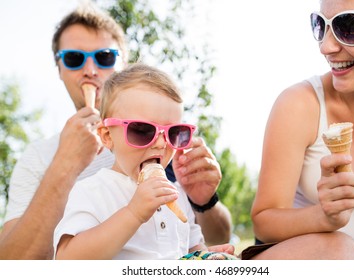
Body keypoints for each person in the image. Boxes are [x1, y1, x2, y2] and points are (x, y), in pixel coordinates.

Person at [0, 3, 231, 260]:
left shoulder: (172, 167)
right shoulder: (71, 178)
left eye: (105, 56)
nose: (91, 70)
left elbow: (198, 245)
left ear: (123, 62)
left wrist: (207, 243)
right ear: (107, 135)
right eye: (75, 58)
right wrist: (65, 166)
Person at [250, 0, 354, 260]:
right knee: (342, 252)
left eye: (348, 26)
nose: (326, 47)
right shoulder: (299, 104)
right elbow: (263, 223)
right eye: (320, 25)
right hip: (296, 259)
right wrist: (322, 216)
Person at [53, 63, 231, 259]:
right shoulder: (92, 191)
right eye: (142, 130)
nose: (161, 144)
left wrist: (205, 257)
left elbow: (190, 249)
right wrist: (133, 213)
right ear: (107, 136)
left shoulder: (177, 193)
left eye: (173, 133)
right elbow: (67, 260)